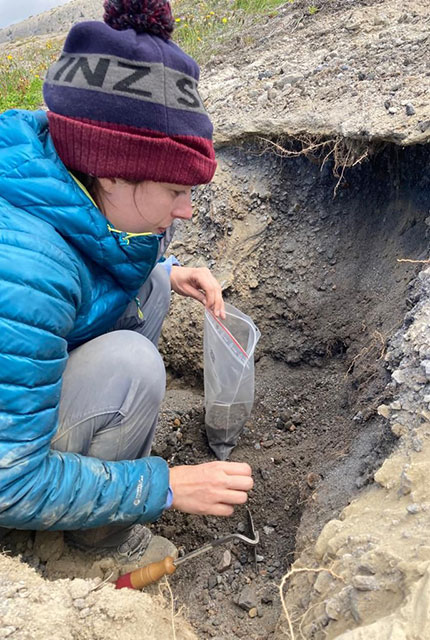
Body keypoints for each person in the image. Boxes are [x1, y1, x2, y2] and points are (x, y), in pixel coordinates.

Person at [0, 0, 253, 562]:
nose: (186, 210)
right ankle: (87, 551)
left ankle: (104, 451)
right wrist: (163, 486)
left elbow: (85, 239)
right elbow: (7, 480)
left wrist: (167, 270)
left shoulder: (62, 164)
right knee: (132, 366)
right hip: (8, 470)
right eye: (174, 190)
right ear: (110, 167)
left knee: (152, 286)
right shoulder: (24, 268)